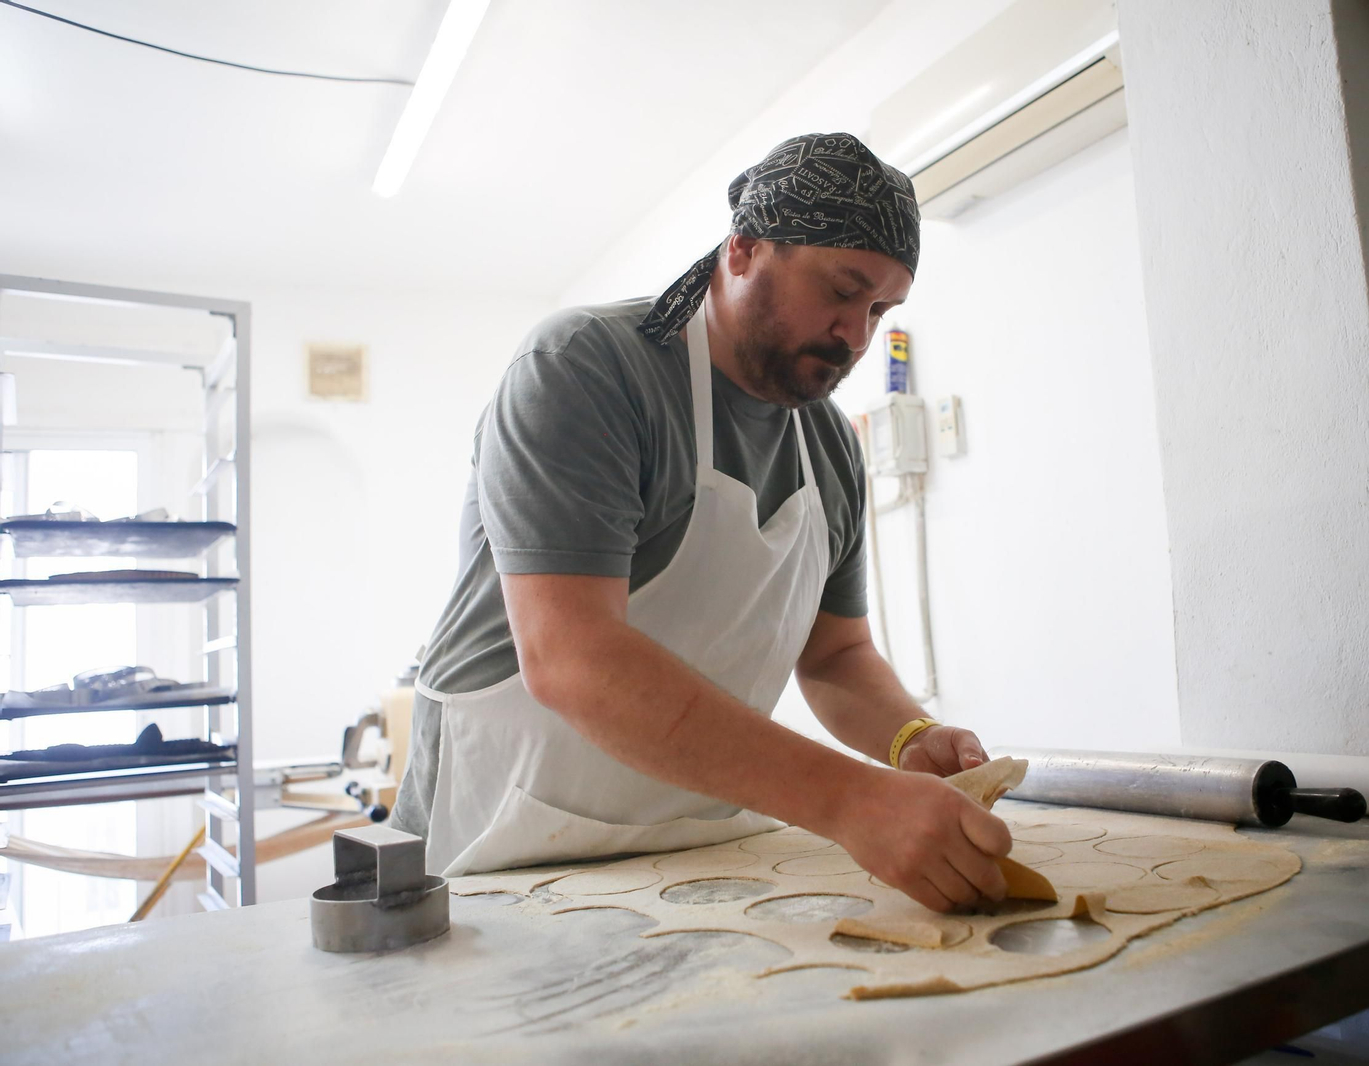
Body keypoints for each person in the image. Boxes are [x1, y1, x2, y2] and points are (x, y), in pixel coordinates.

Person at [392, 132, 1011, 913]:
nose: (856, 334)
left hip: (695, 851)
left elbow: (837, 656)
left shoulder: (827, 449)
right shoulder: (587, 370)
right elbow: (571, 656)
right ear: (745, 249)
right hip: (504, 846)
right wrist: (852, 800)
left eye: (880, 308)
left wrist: (906, 739)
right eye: (841, 290)